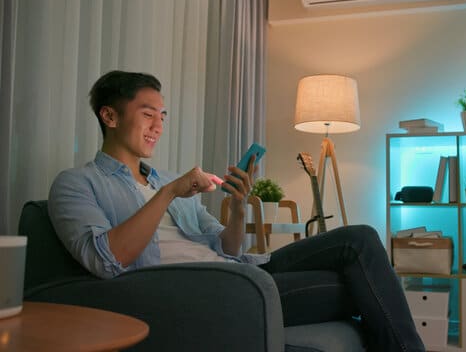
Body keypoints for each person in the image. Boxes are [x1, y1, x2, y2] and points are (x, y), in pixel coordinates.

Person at [48, 70, 425, 351]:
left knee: (358, 239)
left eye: (163, 116)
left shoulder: (164, 179)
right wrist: (167, 193)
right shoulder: (77, 184)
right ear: (110, 117)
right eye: (148, 114)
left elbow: (225, 246)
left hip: (240, 269)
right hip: (209, 289)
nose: (157, 126)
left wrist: (239, 208)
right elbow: (105, 259)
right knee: (362, 285)